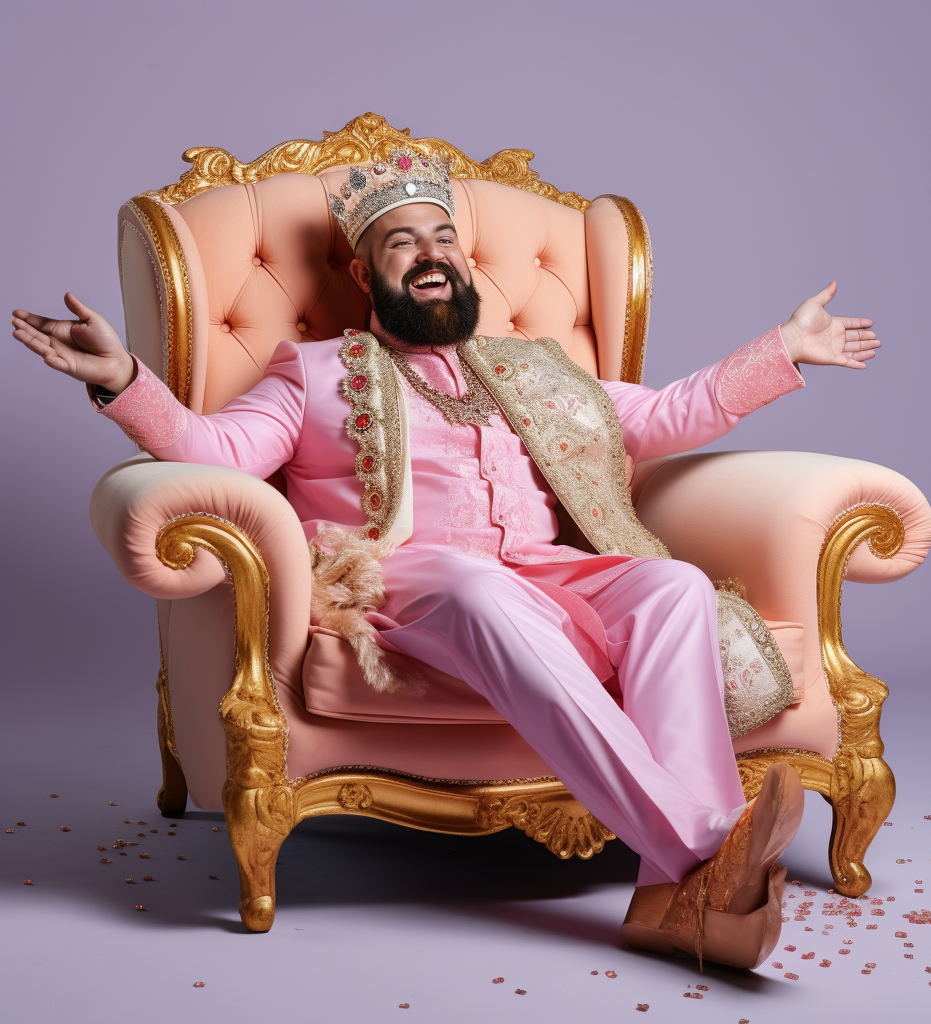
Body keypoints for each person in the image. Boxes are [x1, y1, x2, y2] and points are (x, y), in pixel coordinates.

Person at [11, 151, 880, 970]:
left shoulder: (535, 369)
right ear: (365, 274)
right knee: (473, 586)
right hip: (406, 582)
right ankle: (705, 840)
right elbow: (216, 448)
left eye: (442, 240)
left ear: (465, 266)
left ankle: (673, 899)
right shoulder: (313, 372)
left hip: (546, 576)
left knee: (672, 586)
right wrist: (126, 380)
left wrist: (783, 349)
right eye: (401, 243)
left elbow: (660, 417)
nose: (429, 256)